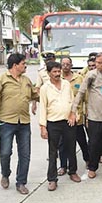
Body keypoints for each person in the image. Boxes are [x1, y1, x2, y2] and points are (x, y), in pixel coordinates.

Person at [0, 53, 39, 195]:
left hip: (24, 122)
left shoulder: (26, 80)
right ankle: (5, 173)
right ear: (15, 65)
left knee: (25, 154)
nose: (25, 66)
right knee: (5, 153)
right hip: (6, 122)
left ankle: (21, 182)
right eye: (23, 63)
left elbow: (35, 95)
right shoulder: (0, 80)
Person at [69, 52, 102, 183]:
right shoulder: (91, 74)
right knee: (94, 143)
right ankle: (92, 167)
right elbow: (81, 92)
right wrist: (73, 109)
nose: (97, 65)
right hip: (94, 116)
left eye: (100, 63)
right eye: (96, 62)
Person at [39, 61, 80, 191]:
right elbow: (43, 108)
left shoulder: (67, 84)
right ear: (48, 73)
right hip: (53, 123)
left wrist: (74, 115)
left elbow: (73, 102)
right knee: (53, 152)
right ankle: (52, 179)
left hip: (68, 122)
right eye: (54, 72)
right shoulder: (45, 88)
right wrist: (43, 127)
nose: (57, 74)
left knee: (71, 148)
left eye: (58, 71)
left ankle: (72, 171)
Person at [58, 56, 90, 174]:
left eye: (68, 64)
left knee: (81, 140)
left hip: (77, 117)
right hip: (62, 117)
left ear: (71, 65)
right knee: (62, 143)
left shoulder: (79, 78)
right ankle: (63, 165)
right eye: (63, 64)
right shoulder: (58, 78)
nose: (65, 66)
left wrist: (87, 113)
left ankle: (87, 159)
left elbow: (86, 97)